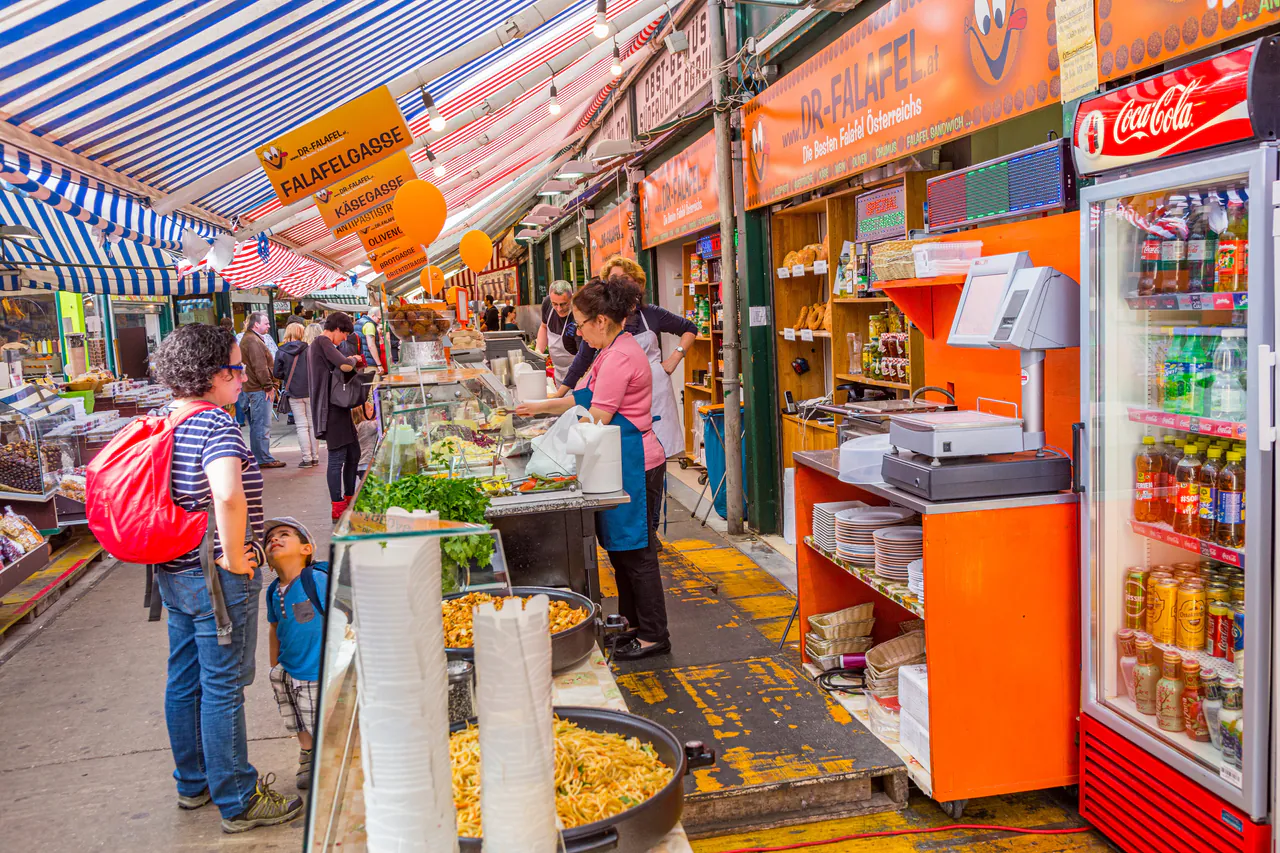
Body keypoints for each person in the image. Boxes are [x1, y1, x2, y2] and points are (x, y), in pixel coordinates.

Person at [148, 324, 303, 833]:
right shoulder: (215, 425)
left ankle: (193, 783)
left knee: (185, 674)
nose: (241, 378)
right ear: (211, 374)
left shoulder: (167, 419)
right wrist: (236, 556)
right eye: (235, 369)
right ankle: (238, 797)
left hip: (172, 570)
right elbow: (228, 495)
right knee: (222, 684)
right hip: (215, 575)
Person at [516, 276, 670, 661]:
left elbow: (598, 414)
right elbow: (585, 396)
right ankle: (633, 625)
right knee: (623, 553)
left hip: (634, 460)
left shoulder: (618, 355)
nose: (579, 333)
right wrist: (539, 408)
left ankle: (654, 635)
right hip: (618, 458)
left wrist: (559, 434)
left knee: (637, 553)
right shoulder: (614, 348)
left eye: (581, 324)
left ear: (601, 320)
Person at [556, 256, 697, 464]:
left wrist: (674, 359)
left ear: (638, 283)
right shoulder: (601, 321)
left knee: (655, 457)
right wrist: (559, 396)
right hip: (618, 400)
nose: (619, 285)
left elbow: (690, 329)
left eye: (625, 278)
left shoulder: (652, 314)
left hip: (656, 392)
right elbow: (582, 360)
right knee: (624, 458)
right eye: (613, 279)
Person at [263, 517, 328, 791]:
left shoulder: (315, 580)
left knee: (321, 718)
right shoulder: (271, 590)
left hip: (317, 669)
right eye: (269, 540)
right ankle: (307, 754)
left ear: (306, 549)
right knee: (299, 717)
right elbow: (274, 628)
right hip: (289, 669)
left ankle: (327, 757)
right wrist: (275, 666)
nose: (274, 539)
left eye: (285, 534)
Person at [309, 313, 363, 521]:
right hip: (331, 409)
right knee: (337, 458)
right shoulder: (323, 342)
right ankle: (338, 504)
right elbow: (345, 366)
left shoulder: (320, 344)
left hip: (337, 408)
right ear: (338, 329)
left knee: (353, 453)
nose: (344, 339)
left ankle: (349, 497)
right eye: (345, 334)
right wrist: (355, 359)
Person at [240, 312, 285, 469]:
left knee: (258, 425)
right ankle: (263, 458)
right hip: (259, 389)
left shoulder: (252, 339)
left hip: (255, 387)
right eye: (265, 323)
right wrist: (268, 386)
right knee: (262, 425)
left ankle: (260, 456)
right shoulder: (253, 341)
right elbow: (260, 367)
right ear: (255, 325)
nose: (268, 325)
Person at [273, 323, 318, 468]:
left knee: (301, 426)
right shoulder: (309, 349)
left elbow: (277, 373)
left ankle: (307, 458)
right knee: (312, 425)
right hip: (310, 391)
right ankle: (315, 456)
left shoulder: (281, 351)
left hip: (293, 392)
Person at [535, 280, 579, 386]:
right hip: (558, 373)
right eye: (555, 304)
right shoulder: (547, 304)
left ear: (571, 298)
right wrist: (538, 351)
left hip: (577, 374)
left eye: (564, 304)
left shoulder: (578, 315)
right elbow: (543, 327)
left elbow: (584, 354)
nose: (559, 309)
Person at [351, 307, 385, 374]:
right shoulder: (369, 325)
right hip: (369, 363)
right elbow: (371, 345)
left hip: (360, 361)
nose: (380, 321)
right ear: (372, 315)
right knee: (374, 383)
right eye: (379, 318)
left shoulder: (358, 322)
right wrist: (379, 364)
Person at [355, 399, 378, 478]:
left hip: (362, 464)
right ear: (363, 413)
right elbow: (379, 423)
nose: (375, 411)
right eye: (371, 410)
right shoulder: (365, 426)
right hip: (367, 464)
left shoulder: (358, 425)